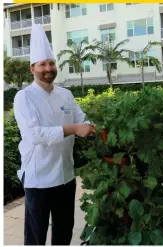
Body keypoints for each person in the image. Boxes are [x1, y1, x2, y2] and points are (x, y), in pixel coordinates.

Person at [13, 24, 96, 245]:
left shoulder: (66, 94)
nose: (48, 68)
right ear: (32, 69)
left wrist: (89, 127)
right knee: (36, 235)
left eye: (51, 63)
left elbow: (81, 119)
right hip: (38, 178)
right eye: (42, 64)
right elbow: (34, 135)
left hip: (65, 176)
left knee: (64, 231)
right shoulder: (24, 97)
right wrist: (73, 129)